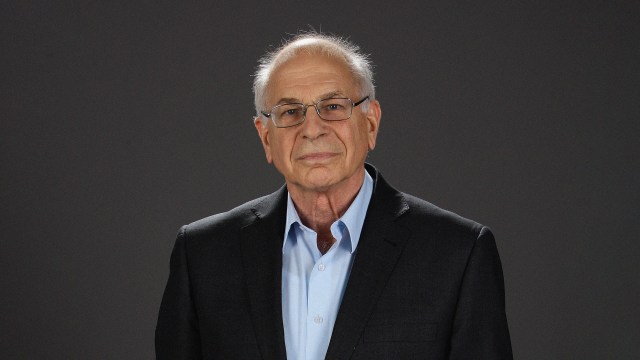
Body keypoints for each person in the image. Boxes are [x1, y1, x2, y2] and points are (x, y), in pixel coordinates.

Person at [155, 32, 513, 360]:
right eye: (290, 111)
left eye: (333, 107)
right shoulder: (203, 255)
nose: (312, 129)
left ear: (370, 124)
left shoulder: (458, 254)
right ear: (265, 137)